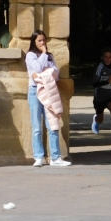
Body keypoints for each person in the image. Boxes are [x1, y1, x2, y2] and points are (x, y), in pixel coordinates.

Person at [25, 29, 71, 167]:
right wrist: (44, 55)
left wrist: (45, 72)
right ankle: (38, 157)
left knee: (52, 125)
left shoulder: (50, 56)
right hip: (35, 91)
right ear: (34, 42)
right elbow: (38, 68)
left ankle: (55, 157)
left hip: (49, 91)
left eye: (44, 40)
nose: (42, 43)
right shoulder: (30, 55)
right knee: (37, 126)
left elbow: (55, 72)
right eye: (39, 40)